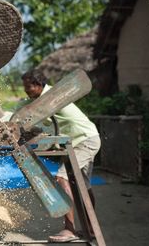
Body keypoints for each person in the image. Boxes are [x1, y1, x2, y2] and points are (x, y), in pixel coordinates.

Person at [21, 71, 101, 243]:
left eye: (28, 87)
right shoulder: (40, 101)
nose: (26, 91)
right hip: (81, 140)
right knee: (83, 184)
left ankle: (70, 229)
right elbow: (19, 111)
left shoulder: (52, 98)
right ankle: (91, 229)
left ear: (39, 85)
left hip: (85, 140)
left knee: (62, 177)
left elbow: (28, 116)